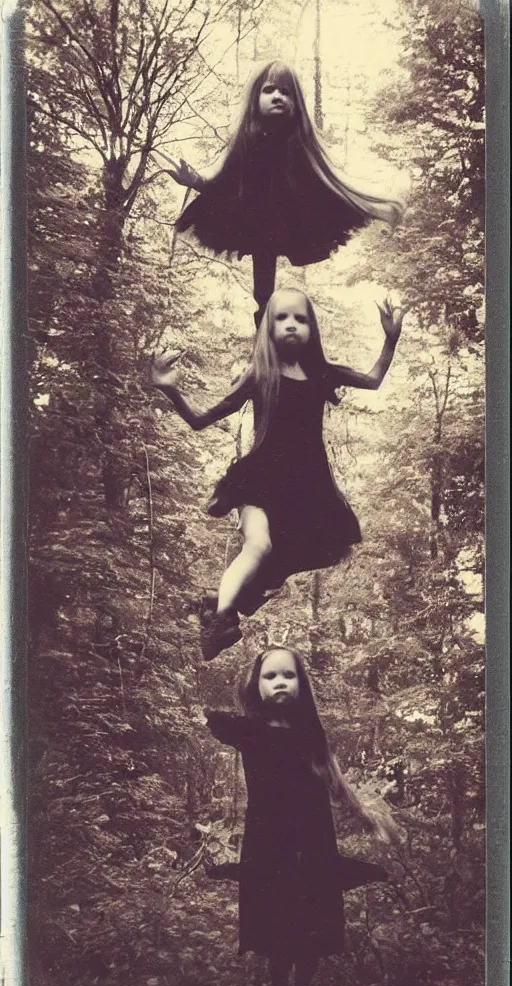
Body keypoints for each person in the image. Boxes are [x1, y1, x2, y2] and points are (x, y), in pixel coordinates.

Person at [150, 287, 404, 660]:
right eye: (281, 317)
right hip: (260, 478)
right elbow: (201, 419)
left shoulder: (321, 374)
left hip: (304, 487)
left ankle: (220, 600)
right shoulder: (261, 376)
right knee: (259, 546)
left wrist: (390, 339)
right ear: (268, 327)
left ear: (312, 329)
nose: (291, 325)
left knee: (313, 552)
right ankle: (219, 621)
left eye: (300, 319)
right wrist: (169, 389)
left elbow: (373, 379)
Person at [205, 647, 397, 986]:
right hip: (268, 838)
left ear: (302, 684)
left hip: (312, 837)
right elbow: (203, 716)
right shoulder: (248, 731)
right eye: (270, 676)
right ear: (256, 684)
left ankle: (307, 962)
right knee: (273, 914)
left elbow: (333, 777)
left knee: (313, 908)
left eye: (289, 675)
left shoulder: (310, 731)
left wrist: (368, 815)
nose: (280, 682)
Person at [158, 60, 404, 327]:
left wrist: (373, 205)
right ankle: (263, 322)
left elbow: (331, 184)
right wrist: (194, 179)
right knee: (262, 281)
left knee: (268, 263)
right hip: (251, 215)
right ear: (255, 98)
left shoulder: (299, 142)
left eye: (286, 92)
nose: (278, 96)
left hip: (291, 214)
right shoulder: (246, 141)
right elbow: (224, 181)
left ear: (296, 102)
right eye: (270, 90)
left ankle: (268, 321)